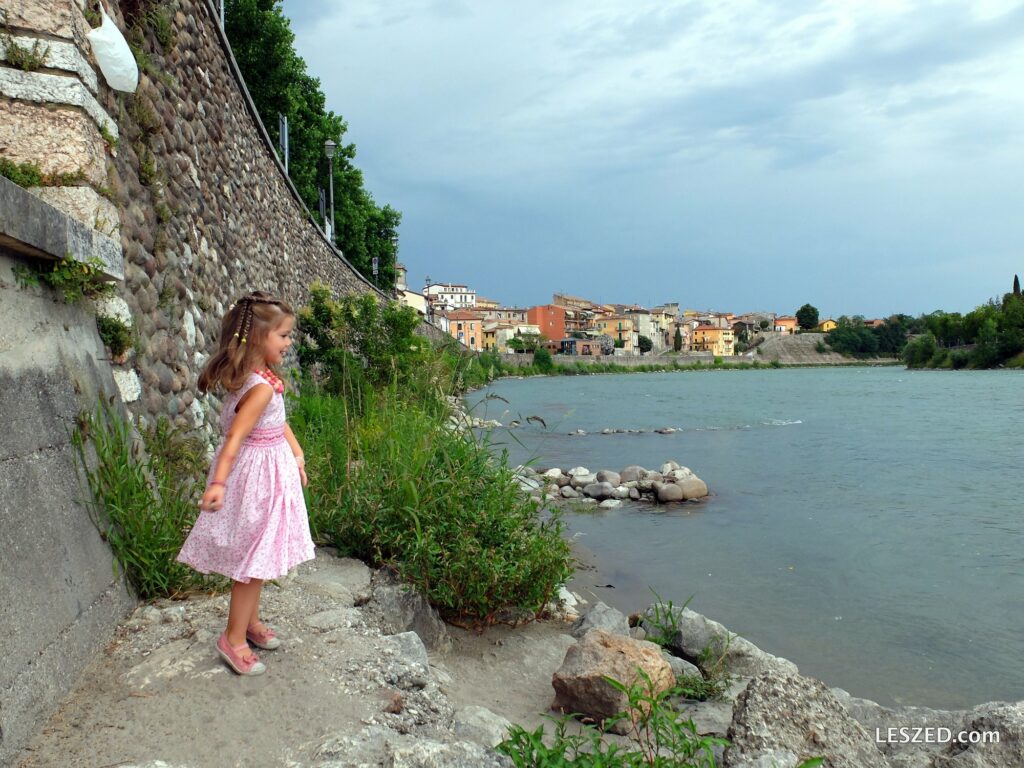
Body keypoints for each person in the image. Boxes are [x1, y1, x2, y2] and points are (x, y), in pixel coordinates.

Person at [177, 291, 315, 676]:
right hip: (257, 478)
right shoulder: (259, 388)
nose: (289, 343)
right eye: (284, 336)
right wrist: (218, 483)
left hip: (269, 473)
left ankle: (249, 623)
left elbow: (278, 422)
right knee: (253, 562)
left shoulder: (260, 381)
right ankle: (233, 638)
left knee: (261, 554)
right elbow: (236, 437)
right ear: (258, 338)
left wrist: (298, 454)